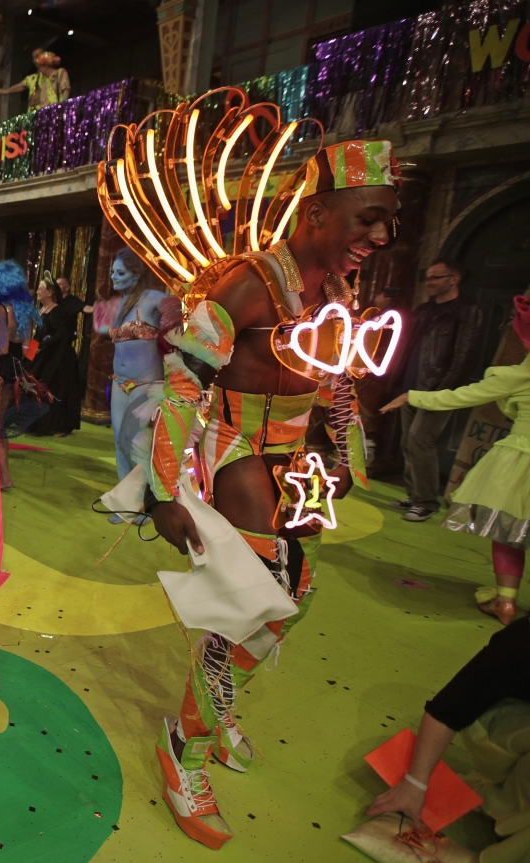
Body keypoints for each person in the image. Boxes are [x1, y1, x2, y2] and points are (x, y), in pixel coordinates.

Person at [144, 140, 399, 849]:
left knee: (299, 593)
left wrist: (346, 451)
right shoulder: (249, 283)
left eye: (390, 224)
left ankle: (216, 702)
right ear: (317, 213)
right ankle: (185, 749)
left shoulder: (338, 292)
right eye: (369, 218)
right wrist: (161, 488)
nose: (380, 237)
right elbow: (185, 380)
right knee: (249, 598)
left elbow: (338, 379)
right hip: (236, 448)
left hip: (297, 454)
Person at [382, 294, 530, 624]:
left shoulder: (518, 375)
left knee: (510, 535)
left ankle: (506, 603)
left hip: (519, 464)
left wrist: (411, 396)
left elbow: (461, 397)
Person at [368, 617, 530, 845]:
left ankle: (507, 805)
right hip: (497, 719)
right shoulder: (522, 643)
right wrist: (415, 784)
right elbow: (450, 707)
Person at [391, 259, 485, 522]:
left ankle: (426, 502)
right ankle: (414, 495)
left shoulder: (467, 311)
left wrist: (444, 390)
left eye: (436, 278)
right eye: (428, 278)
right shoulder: (424, 310)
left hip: (438, 388)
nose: (429, 283)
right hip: (411, 385)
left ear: (454, 279)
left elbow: (465, 355)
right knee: (408, 441)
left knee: (421, 439)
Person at [93, 249, 182, 514]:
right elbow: (104, 329)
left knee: (136, 443)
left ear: (137, 273)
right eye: (112, 273)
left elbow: (177, 309)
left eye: (120, 273)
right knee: (120, 440)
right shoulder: (120, 304)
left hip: (146, 383)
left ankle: (148, 502)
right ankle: (127, 505)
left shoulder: (152, 298)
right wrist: (98, 318)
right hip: (120, 382)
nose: (114, 278)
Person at [0, 260, 40, 489]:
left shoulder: (0, 310)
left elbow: (1, 348)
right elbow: (32, 346)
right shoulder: (24, 311)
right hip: (15, 371)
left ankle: (3, 478)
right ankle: (1, 476)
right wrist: (24, 370)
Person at [28, 278, 82, 436]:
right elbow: (39, 334)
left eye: (41, 289)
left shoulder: (57, 311)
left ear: (50, 292)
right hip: (45, 354)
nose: (38, 291)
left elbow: (62, 335)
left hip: (58, 357)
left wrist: (42, 346)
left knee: (54, 388)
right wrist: (30, 352)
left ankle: (59, 426)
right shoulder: (42, 309)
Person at [0, 48, 71, 111]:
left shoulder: (60, 72)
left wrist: (60, 109)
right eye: (34, 57)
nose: (35, 59)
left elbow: (65, 90)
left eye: (38, 55)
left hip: (54, 113)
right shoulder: (33, 78)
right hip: (36, 116)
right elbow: (10, 90)